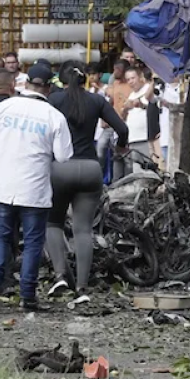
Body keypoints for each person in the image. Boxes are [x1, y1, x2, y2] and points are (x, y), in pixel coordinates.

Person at [0, 62, 73, 310]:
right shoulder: (54, 116)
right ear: (48, 89)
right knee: (32, 241)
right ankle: (27, 296)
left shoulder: (4, 107)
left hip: (2, 185)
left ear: (26, 83)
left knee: (0, 235)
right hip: (34, 188)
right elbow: (64, 156)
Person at [45, 61, 129, 295]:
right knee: (83, 230)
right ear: (86, 79)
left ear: (61, 81)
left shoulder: (54, 101)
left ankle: (60, 275)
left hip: (60, 168)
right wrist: (121, 148)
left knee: (53, 223)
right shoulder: (97, 100)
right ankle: (82, 286)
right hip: (90, 169)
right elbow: (122, 129)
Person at [118, 66, 153, 176]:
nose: (130, 82)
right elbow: (123, 116)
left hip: (145, 138)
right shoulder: (131, 94)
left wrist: (136, 103)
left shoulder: (148, 89)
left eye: (133, 78)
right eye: (128, 79)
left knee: (149, 172)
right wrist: (126, 109)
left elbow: (148, 105)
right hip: (133, 139)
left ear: (140, 77)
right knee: (137, 174)